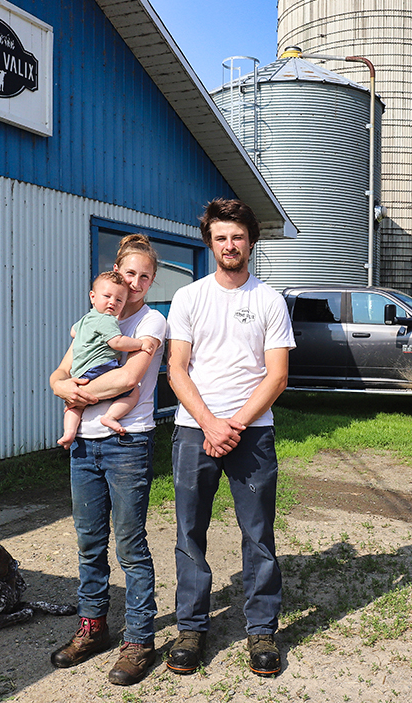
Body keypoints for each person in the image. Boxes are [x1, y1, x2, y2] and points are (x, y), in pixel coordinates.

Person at [164, 198, 295, 678]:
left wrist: (233, 424)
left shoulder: (269, 300)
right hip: (193, 430)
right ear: (210, 243)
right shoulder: (190, 297)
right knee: (189, 532)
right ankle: (191, 627)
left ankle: (261, 630)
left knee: (258, 534)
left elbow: (276, 376)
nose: (229, 245)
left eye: (237, 237)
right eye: (221, 237)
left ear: (251, 242)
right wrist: (210, 423)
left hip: (253, 434)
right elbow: (177, 369)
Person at [48, 234, 166, 686]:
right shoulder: (94, 317)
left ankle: (138, 639)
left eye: (143, 276)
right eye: (128, 273)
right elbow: (60, 371)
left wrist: (72, 391)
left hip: (127, 443)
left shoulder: (151, 322)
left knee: (130, 545)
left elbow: (127, 378)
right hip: (84, 445)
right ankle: (93, 627)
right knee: (89, 541)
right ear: (114, 275)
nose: (134, 282)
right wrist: (61, 386)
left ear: (151, 281)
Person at [58, 271, 158, 447]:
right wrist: (140, 344)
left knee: (75, 406)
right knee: (133, 392)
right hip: (100, 368)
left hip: (79, 372)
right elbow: (117, 342)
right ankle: (110, 417)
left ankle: (69, 433)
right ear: (93, 296)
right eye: (107, 296)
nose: (113, 302)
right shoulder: (107, 320)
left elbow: (74, 332)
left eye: (119, 300)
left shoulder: (85, 319)